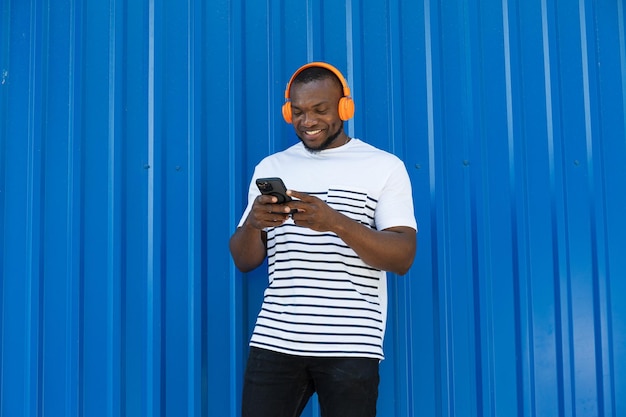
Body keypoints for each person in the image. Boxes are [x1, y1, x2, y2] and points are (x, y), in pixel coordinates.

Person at [229, 61, 417, 417]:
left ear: (345, 108)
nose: (308, 121)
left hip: (351, 344)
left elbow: (402, 257)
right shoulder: (272, 167)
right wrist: (253, 224)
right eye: (298, 112)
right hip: (276, 338)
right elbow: (244, 260)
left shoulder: (384, 166)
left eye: (320, 109)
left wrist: (335, 222)